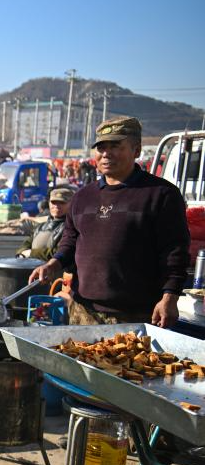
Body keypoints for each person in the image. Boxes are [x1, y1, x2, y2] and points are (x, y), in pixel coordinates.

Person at [30, 117, 190, 327]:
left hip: (138, 315)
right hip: (83, 311)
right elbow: (70, 239)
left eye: (115, 146)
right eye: (101, 147)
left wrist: (170, 296)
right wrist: (54, 262)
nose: (106, 153)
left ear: (137, 150)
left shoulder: (161, 195)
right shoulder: (82, 197)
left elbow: (175, 251)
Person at [16, 187, 74, 261]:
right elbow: (25, 245)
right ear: (49, 203)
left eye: (62, 203)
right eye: (53, 202)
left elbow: (61, 253)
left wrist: (31, 253)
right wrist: (22, 253)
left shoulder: (71, 228)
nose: (56, 206)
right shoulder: (41, 227)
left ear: (71, 204)